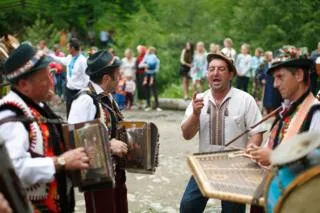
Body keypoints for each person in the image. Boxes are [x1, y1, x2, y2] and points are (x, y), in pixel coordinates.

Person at [0, 43, 89, 212]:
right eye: (46, 76)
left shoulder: (33, 105)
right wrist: (61, 162)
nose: (52, 81)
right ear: (24, 85)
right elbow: (15, 169)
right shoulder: (10, 116)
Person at [180, 53, 266, 213]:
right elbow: (186, 134)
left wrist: (249, 150)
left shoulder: (245, 99)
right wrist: (195, 115)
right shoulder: (199, 99)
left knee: (232, 211)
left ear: (231, 74)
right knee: (188, 206)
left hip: (236, 167)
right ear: (207, 74)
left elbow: (257, 132)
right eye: (211, 69)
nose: (215, 73)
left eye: (221, 69)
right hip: (205, 163)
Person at [248, 53, 320, 213]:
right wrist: (259, 152)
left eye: (280, 77)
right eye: (274, 78)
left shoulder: (316, 113)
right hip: (276, 192)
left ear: (299, 75)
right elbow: (272, 145)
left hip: (296, 199)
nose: (275, 84)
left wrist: (273, 156)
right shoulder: (286, 110)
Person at [68, 50, 128, 213]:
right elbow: (72, 139)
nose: (120, 76)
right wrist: (108, 145)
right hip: (97, 177)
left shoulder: (107, 97)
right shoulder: (84, 101)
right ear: (107, 78)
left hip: (116, 173)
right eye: (117, 73)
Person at [50, 38, 89, 116]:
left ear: (73, 48)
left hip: (79, 91)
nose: (67, 49)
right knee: (69, 112)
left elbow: (86, 77)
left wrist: (85, 92)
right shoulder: (69, 58)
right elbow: (60, 60)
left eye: (68, 47)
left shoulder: (82, 61)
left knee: (78, 114)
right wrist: (50, 55)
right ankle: (70, 127)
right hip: (69, 90)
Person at [139, 46, 162, 111]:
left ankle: (157, 106)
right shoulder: (146, 57)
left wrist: (154, 69)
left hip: (153, 74)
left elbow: (157, 68)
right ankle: (148, 105)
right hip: (146, 74)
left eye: (153, 51)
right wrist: (146, 65)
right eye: (150, 51)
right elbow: (140, 65)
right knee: (147, 90)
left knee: (154, 90)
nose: (151, 52)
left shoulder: (156, 58)